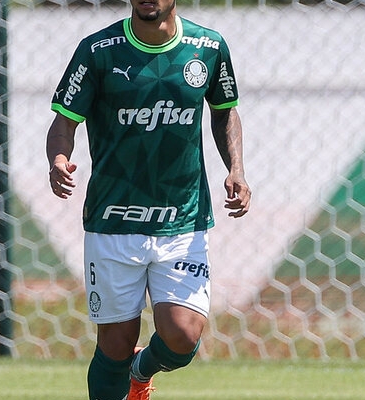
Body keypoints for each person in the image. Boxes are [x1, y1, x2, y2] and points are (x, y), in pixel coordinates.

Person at [46, 0, 251, 398]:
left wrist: (237, 169)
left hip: (184, 217)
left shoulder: (208, 47)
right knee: (114, 345)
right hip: (113, 219)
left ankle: (141, 372)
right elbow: (64, 121)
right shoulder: (97, 50)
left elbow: (225, 111)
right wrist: (58, 158)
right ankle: (125, 371)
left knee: (182, 336)